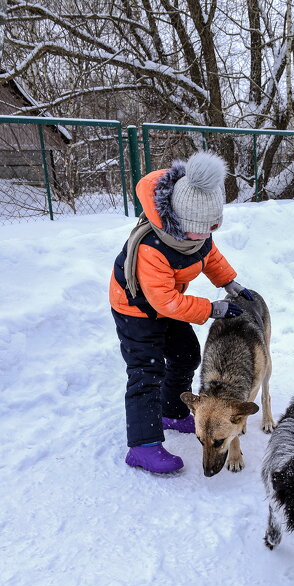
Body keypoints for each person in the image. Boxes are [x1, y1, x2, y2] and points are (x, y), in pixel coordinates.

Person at [110, 150, 252, 474]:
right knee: (146, 371)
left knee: (187, 353)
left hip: (167, 302)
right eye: (200, 230)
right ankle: (143, 446)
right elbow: (166, 303)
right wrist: (212, 308)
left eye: (210, 228)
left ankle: (173, 412)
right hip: (134, 307)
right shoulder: (152, 247)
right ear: (179, 220)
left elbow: (209, 255)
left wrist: (229, 282)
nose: (204, 236)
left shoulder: (195, 233)